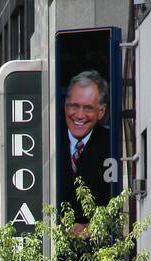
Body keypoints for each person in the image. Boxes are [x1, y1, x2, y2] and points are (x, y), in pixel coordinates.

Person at [60, 70, 112, 234]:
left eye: (88, 108)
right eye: (74, 106)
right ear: (65, 105)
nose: (80, 115)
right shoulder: (48, 141)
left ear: (101, 112)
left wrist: (92, 228)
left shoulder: (111, 145)